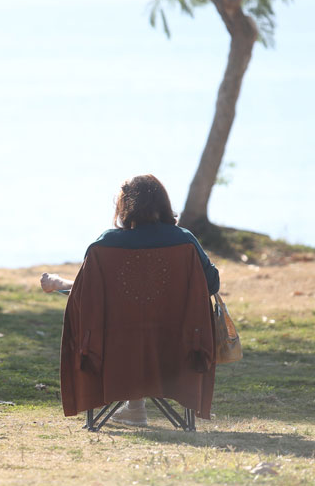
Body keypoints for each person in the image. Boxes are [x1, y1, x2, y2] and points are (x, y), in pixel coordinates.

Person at [41, 174, 219, 426]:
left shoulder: (104, 245)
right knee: (147, 330)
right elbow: (211, 285)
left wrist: (60, 285)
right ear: (163, 204)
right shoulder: (185, 241)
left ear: (124, 206)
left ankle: (133, 407)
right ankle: (137, 409)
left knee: (132, 330)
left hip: (114, 349)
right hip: (176, 346)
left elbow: (87, 297)